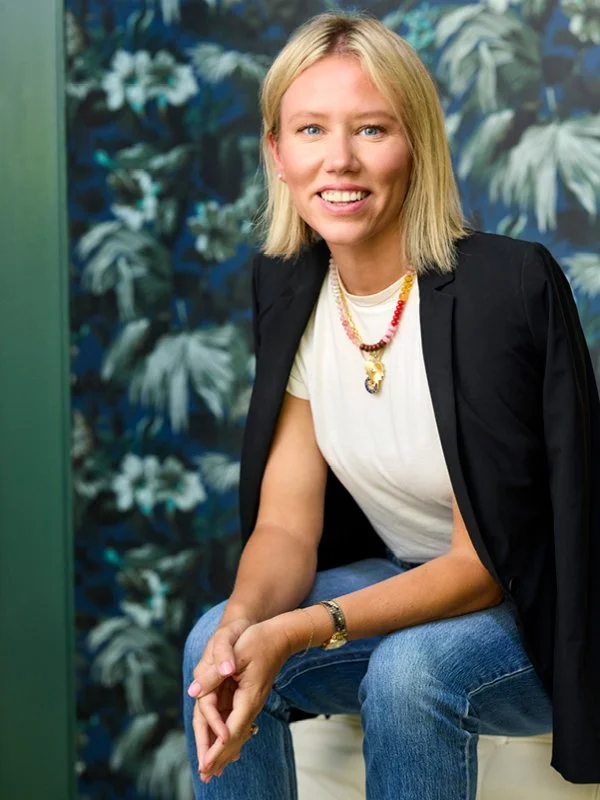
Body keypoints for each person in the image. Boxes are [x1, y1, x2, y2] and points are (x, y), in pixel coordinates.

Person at [183, 11, 600, 799]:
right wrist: (243, 623)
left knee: (411, 672)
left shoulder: (502, 289)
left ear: (417, 145)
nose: (338, 159)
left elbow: (481, 566)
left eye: (371, 129)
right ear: (277, 153)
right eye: (310, 129)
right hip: (408, 577)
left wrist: (300, 629)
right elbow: (286, 526)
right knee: (214, 642)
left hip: (535, 611)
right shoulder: (291, 286)